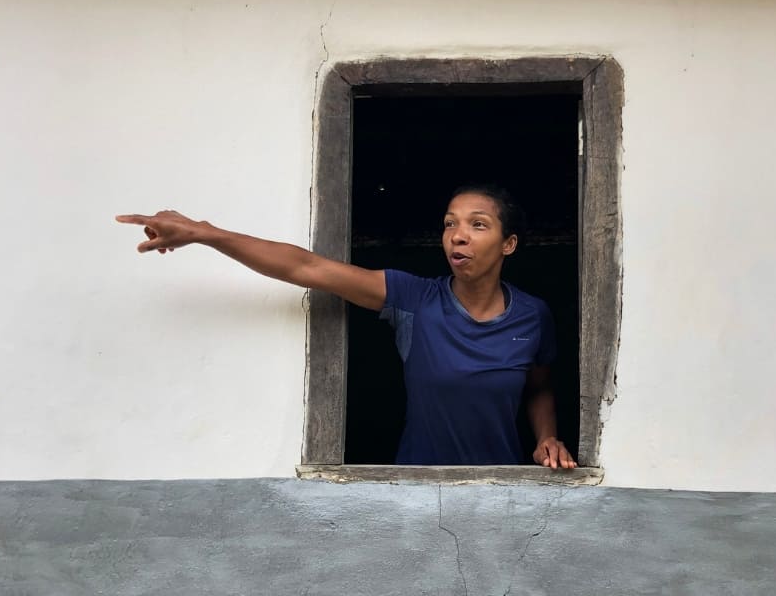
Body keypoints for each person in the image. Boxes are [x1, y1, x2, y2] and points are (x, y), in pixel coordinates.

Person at [116, 185, 577, 469]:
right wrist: (208, 233)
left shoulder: (532, 315)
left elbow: (538, 386)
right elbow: (306, 267)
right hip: (414, 485)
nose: (458, 235)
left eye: (478, 225)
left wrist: (546, 439)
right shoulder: (413, 298)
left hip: (506, 486)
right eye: (450, 224)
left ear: (509, 243)